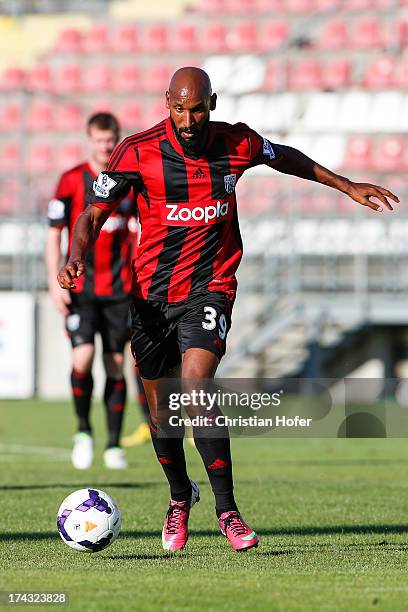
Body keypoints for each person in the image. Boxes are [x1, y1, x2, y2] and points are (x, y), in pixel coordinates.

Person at [57, 68, 399, 550]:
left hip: (210, 287)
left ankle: (228, 511)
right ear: (167, 104)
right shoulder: (137, 151)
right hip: (151, 296)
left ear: (212, 104)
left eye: (197, 108)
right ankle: (180, 497)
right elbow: (92, 214)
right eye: (179, 108)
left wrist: (346, 186)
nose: (189, 118)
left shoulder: (237, 143)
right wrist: (76, 257)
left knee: (196, 388)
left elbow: (287, 159)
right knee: (162, 412)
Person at [47, 112, 137, 470]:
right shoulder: (71, 180)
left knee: (115, 365)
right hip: (81, 289)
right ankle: (83, 431)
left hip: (120, 291)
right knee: (81, 358)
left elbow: (141, 230)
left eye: (110, 139)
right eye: (99, 140)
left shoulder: (128, 180)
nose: (105, 146)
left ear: (117, 138)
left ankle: (114, 444)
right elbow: (54, 233)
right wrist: (53, 281)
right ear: (90, 140)